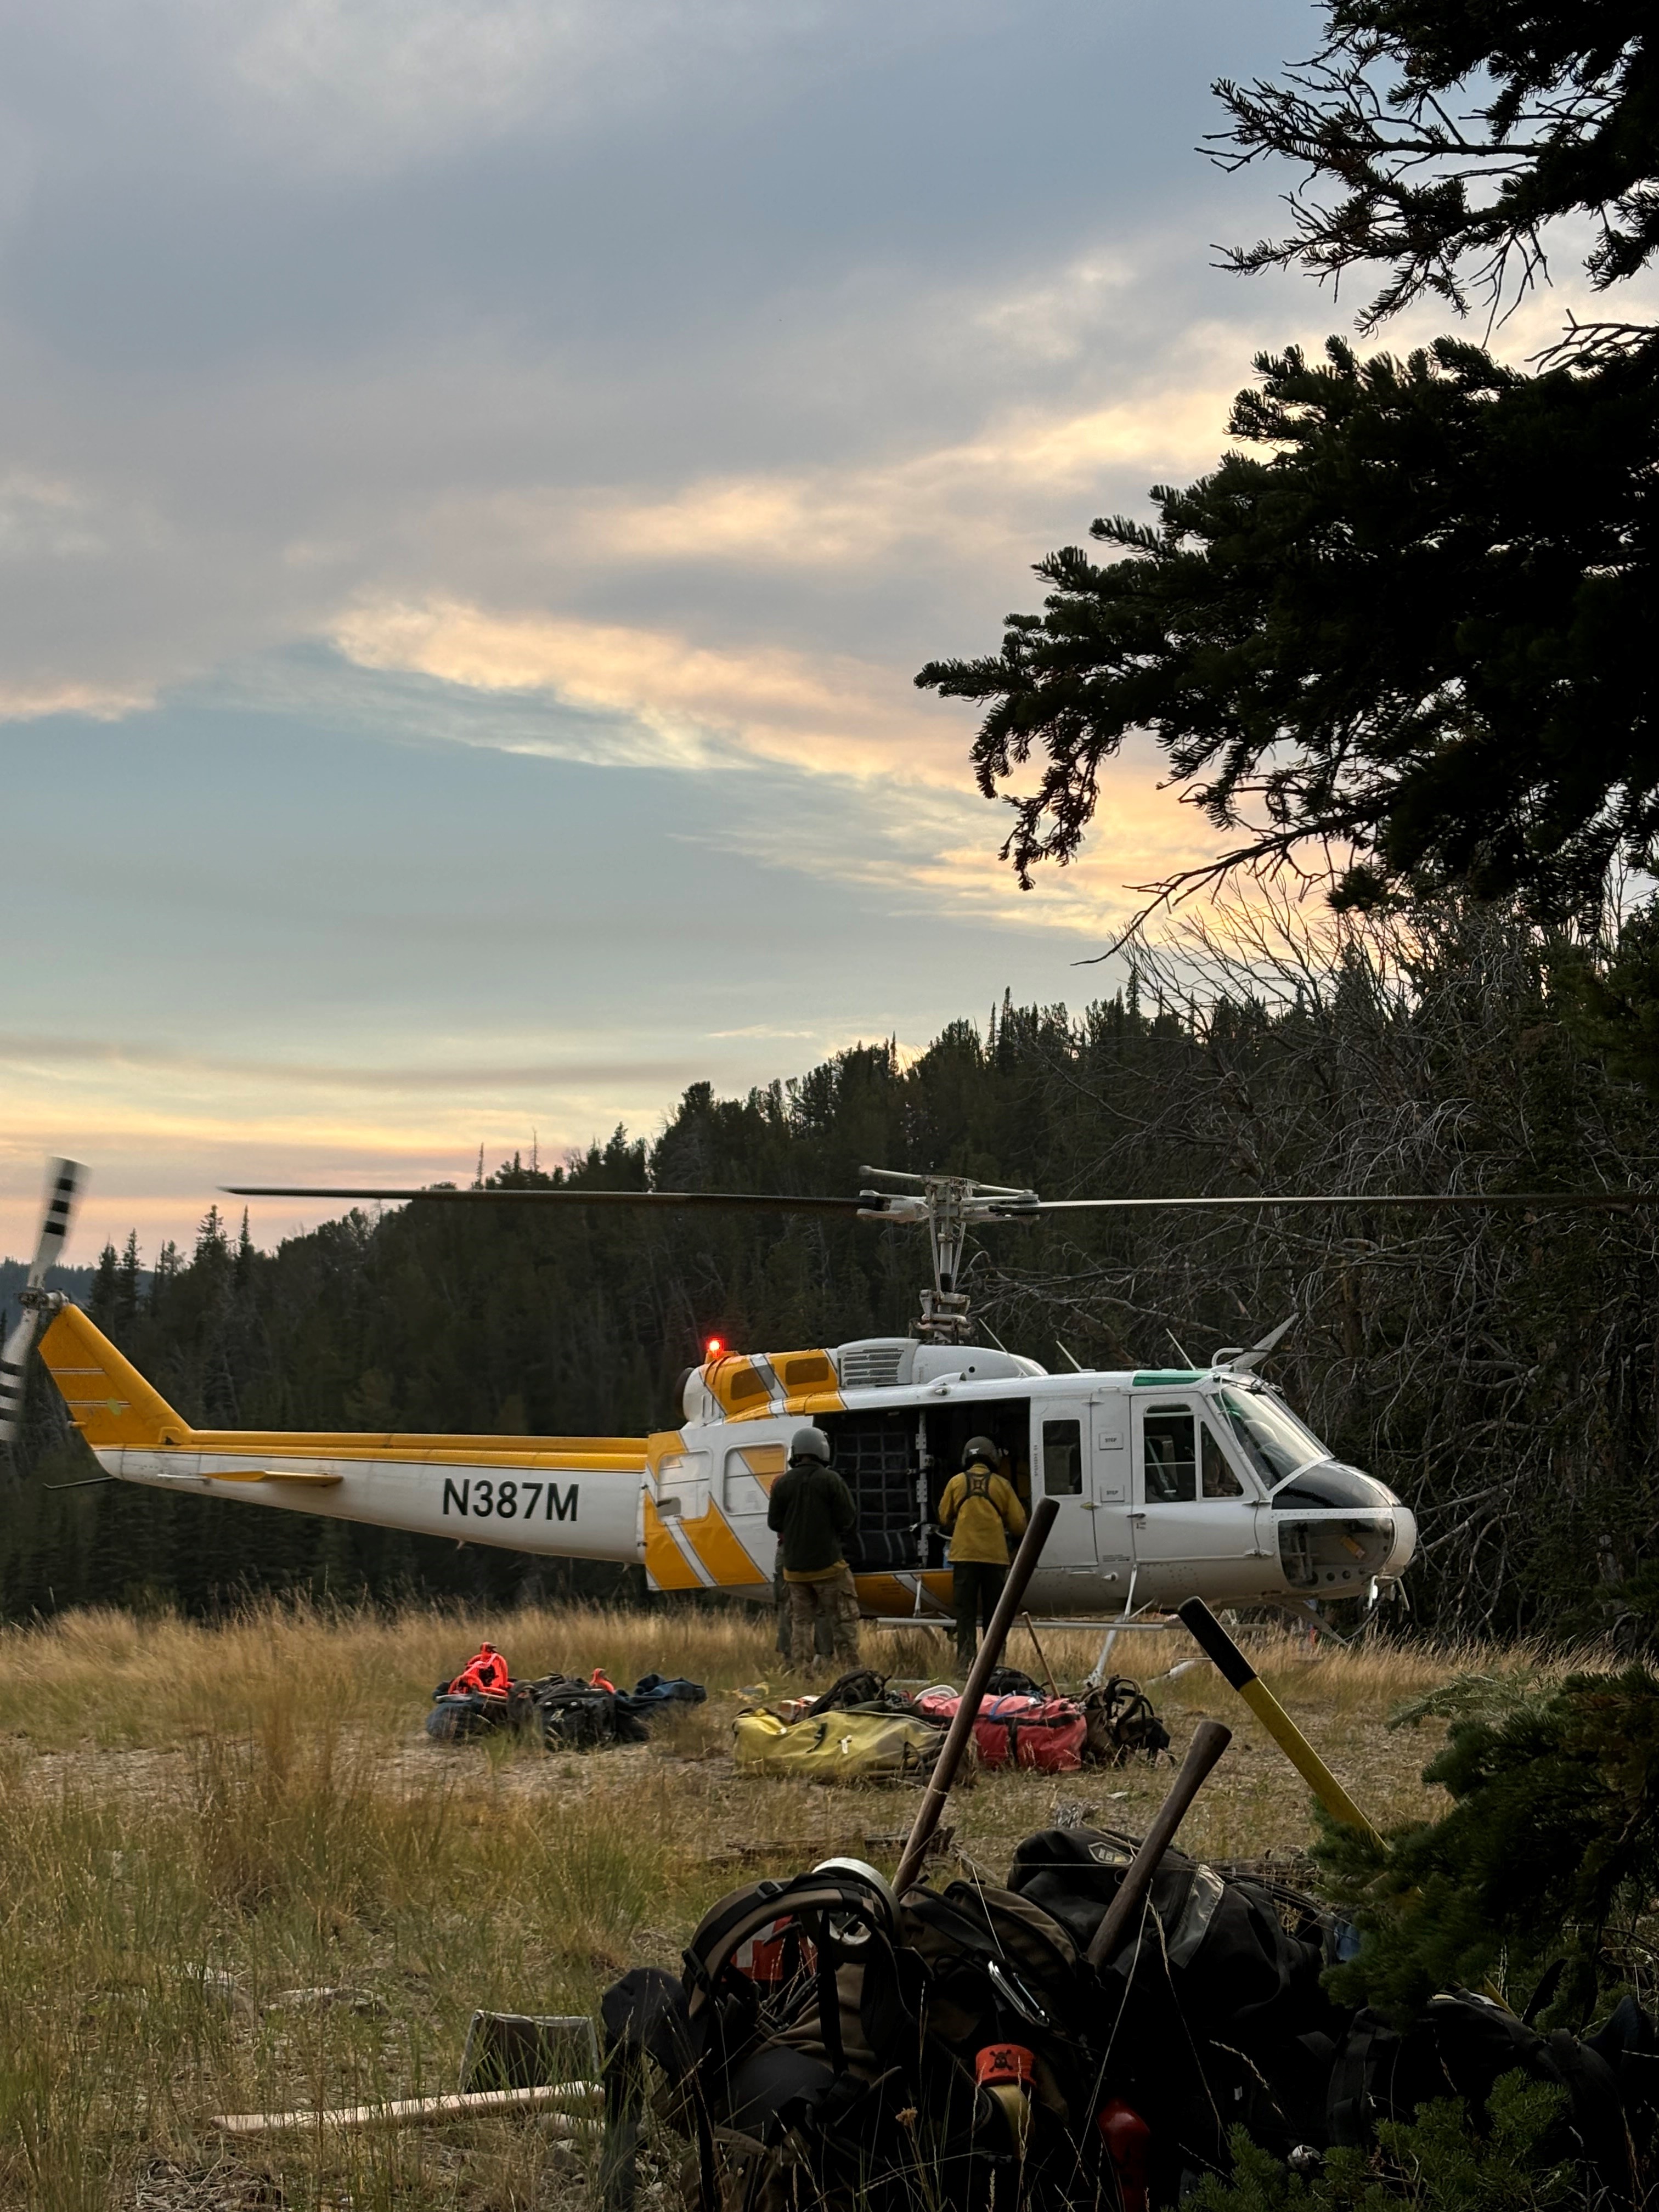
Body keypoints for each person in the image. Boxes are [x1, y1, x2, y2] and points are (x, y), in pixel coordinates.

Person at [766, 1426, 860, 1673]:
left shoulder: (783, 1484)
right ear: (822, 1450)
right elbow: (848, 1518)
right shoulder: (831, 1480)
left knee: (800, 1622)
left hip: (795, 1571)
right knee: (844, 1617)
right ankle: (851, 1669)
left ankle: (800, 1671)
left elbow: (774, 1523)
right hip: (829, 1567)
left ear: (796, 1452)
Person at [938, 1436, 1027, 1672]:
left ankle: (965, 1663)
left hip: (964, 1557)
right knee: (994, 1616)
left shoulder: (956, 1483)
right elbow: (1019, 1525)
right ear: (992, 1457)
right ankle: (995, 1666)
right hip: (994, 1558)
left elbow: (943, 1517)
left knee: (965, 1614)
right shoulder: (1003, 1485)